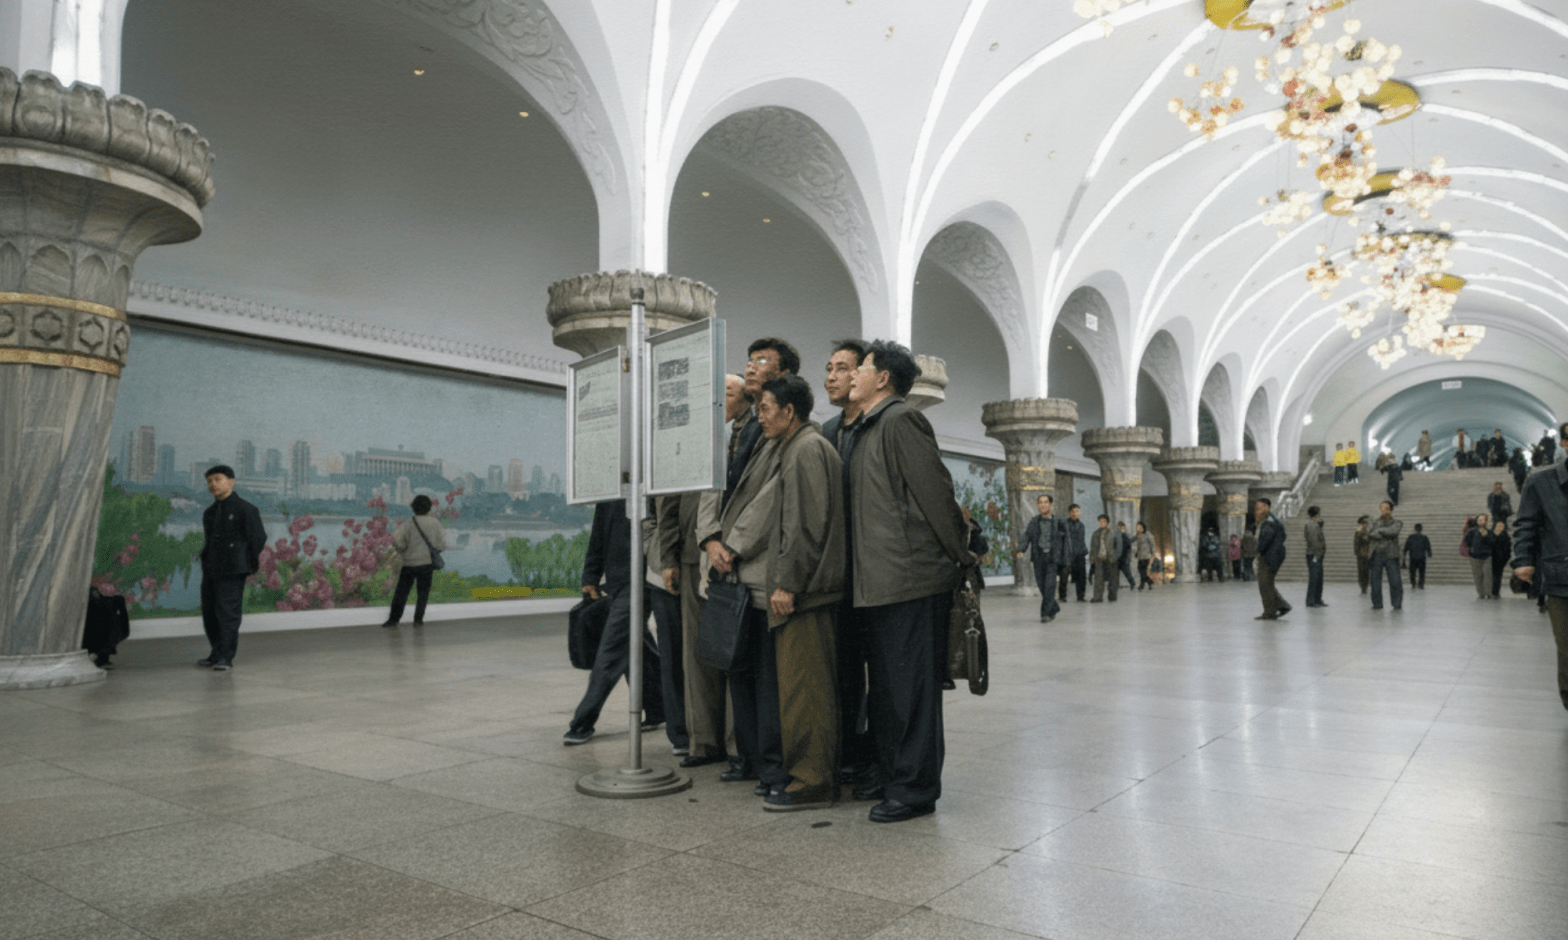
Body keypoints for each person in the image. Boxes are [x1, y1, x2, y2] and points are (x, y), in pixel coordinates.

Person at [841, 339, 972, 824]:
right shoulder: (866, 427)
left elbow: (936, 494)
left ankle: (915, 790)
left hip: (910, 581)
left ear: (883, 380)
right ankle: (892, 772)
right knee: (889, 692)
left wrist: (959, 557)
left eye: (864, 368)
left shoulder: (902, 421)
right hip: (878, 582)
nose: (854, 374)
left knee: (911, 692)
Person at [710, 375, 845, 811]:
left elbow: (804, 525)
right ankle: (805, 775)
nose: (761, 416)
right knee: (797, 691)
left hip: (804, 593)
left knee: (806, 692)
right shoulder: (798, 446)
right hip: (804, 589)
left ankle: (812, 783)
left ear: (789, 412)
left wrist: (787, 583)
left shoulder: (806, 448)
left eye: (766, 408)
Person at [563, 498, 665, 745]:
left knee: (610, 651)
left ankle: (582, 722)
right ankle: (658, 708)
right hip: (618, 582)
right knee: (637, 644)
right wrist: (591, 575)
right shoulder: (612, 490)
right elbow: (598, 531)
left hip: (642, 580)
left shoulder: (649, 485)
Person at [819, 339, 874, 785]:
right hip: (837, 573)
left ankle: (875, 756)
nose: (831, 376)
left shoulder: (880, 426)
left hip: (875, 573)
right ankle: (848, 753)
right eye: (829, 368)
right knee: (843, 671)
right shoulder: (827, 431)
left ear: (862, 376)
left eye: (842, 368)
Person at [1509, 421, 1568, 712]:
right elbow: (1525, 524)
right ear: (1565, 444)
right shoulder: (1541, 481)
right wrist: (1522, 561)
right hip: (1561, 577)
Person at [197, 465, 267, 671]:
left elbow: (258, 539)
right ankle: (215, 653)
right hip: (211, 569)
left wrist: (243, 561)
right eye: (210, 481)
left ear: (231, 481)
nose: (213, 484)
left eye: (218, 479)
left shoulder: (246, 509)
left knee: (227, 613)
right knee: (210, 612)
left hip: (232, 570)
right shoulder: (209, 513)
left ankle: (226, 658)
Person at [384, 494, 447, 628]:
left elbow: (397, 540)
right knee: (423, 593)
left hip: (409, 563)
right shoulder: (434, 523)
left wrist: (404, 551)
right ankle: (418, 620)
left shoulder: (409, 523)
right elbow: (441, 544)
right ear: (429, 507)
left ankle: (393, 620)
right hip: (426, 564)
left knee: (401, 593)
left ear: (414, 508)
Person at [1016, 493, 1065, 621]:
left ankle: (1045, 614)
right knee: (1042, 587)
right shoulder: (1034, 521)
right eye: (1040, 503)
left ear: (1051, 505)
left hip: (1052, 559)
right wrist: (1021, 548)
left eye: (1045, 502)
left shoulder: (1059, 522)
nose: (1043, 505)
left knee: (1049, 586)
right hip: (1038, 558)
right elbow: (1026, 535)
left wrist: (1066, 559)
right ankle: (1054, 608)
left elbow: (1066, 541)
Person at [1253, 498, 1290, 620]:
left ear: (1265, 508)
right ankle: (1282, 606)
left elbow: (1265, 541)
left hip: (1270, 556)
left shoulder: (1269, 522)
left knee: (1265, 584)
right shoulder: (1272, 521)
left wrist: (1259, 551)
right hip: (1273, 554)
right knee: (1267, 584)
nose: (1257, 512)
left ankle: (1270, 612)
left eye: (1259, 509)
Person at [1366, 500, 1403, 611]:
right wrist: (1384, 532)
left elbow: (1394, 532)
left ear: (1391, 509)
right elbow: (1368, 534)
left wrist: (1379, 531)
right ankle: (1377, 603)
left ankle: (1397, 603)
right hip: (1376, 554)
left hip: (1391, 555)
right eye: (1382, 507)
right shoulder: (1373, 522)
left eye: (1386, 508)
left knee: (1395, 580)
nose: (1384, 510)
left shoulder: (1397, 522)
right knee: (1375, 581)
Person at [1058, 504, 1088, 602]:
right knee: (1064, 576)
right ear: (1069, 513)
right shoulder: (1064, 524)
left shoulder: (1081, 525)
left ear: (1079, 512)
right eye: (1073, 512)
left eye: (1077, 511)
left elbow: (1082, 540)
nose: (1075, 514)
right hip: (1067, 554)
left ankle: (1081, 596)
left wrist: (1084, 552)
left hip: (1079, 555)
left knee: (1081, 577)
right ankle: (1062, 596)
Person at [1089, 514, 1119, 603]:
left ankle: (1112, 595)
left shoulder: (1112, 533)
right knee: (1098, 578)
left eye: (1104, 521)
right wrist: (1092, 559)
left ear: (1107, 522)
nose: (1102, 523)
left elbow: (1117, 546)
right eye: (1100, 521)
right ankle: (1098, 597)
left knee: (1112, 578)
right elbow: (1093, 547)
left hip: (1110, 558)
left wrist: (1116, 557)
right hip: (1099, 558)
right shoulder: (1095, 534)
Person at [1464, 514, 1494, 600]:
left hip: (1487, 556)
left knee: (1487, 574)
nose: (1481, 521)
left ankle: (1488, 592)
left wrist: (1486, 536)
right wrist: (1472, 548)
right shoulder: (1472, 532)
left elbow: (1492, 543)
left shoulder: (1489, 532)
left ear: (1486, 521)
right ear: (1477, 521)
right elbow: (1466, 542)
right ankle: (1481, 593)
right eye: (1479, 519)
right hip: (1475, 556)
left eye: (1483, 519)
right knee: (1478, 575)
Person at [1303, 505, 1327, 608]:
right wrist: (1318, 554)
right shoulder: (1311, 525)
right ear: (1317, 514)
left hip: (1317, 554)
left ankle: (1317, 599)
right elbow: (1313, 541)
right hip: (1314, 554)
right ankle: (1311, 600)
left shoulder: (1315, 524)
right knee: (1314, 578)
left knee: (1318, 578)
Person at [1404, 523, 1431, 589]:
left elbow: (1406, 547)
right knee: (1422, 571)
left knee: (1412, 571)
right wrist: (1429, 553)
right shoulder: (1424, 538)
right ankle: (1421, 584)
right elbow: (1428, 547)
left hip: (1413, 557)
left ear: (1415, 529)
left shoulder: (1410, 537)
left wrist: (1404, 554)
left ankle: (1413, 583)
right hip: (1422, 557)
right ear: (1421, 529)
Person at [1490, 519, 1512, 600]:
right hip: (1489, 558)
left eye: (1501, 526)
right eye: (1498, 526)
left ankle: (1495, 592)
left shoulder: (1505, 536)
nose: (1499, 527)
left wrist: (1504, 559)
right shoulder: (1490, 534)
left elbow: (1508, 550)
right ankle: (1487, 591)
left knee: (1497, 577)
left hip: (1499, 560)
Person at [1133, 521, 1157, 589]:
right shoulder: (1137, 535)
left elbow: (1153, 544)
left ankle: (1142, 585)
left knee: (1143, 571)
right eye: (1137, 528)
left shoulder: (1147, 534)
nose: (1138, 529)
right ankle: (1149, 582)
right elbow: (1132, 540)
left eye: (1140, 528)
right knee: (1140, 571)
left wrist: (1153, 552)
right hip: (1140, 556)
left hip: (1146, 556)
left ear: (1143, 528)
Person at [1116, 521, 1138, 590]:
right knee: (1116, 573)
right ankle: (1116, 585)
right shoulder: (1116, 535)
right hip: (1118, 557)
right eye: (1120, 526)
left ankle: (1132, 583)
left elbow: (1128, 543)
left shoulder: (1126, 535)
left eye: (1122, 526)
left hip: (1124, 557)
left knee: (1127, 572)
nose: (1121, 528)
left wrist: (1123, 534)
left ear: (1124, 527)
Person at [1353, 516, 1371, 594]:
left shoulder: (1370, 532)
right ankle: (1363, 587)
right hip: (1361, 555)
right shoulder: (1358, 532)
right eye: (1363, 523)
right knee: (1361, 571)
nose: (1364, 525)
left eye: (1366, 523)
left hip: (1369, 554)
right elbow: (1356, 543)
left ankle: (1366, 585)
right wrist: (1357, 553)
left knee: (1368, 572)